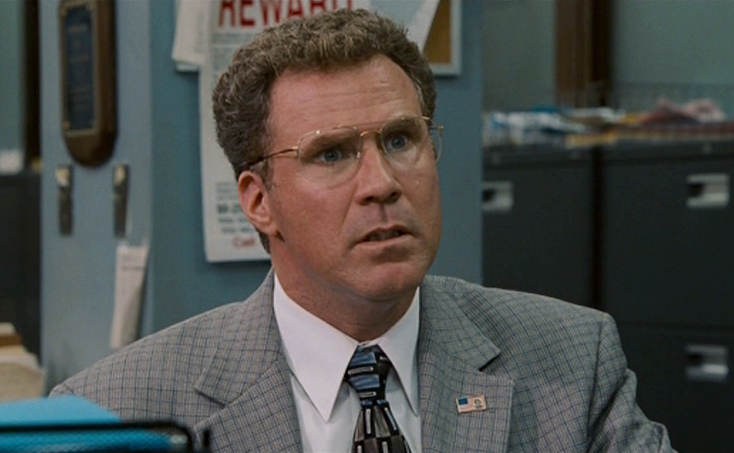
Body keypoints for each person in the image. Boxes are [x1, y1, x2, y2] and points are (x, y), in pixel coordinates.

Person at [51, 8, 676, 453]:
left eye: (400, 140)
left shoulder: (572, 362)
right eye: (331, 154)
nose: (381, 183)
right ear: (259, 201)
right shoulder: (118, 412)